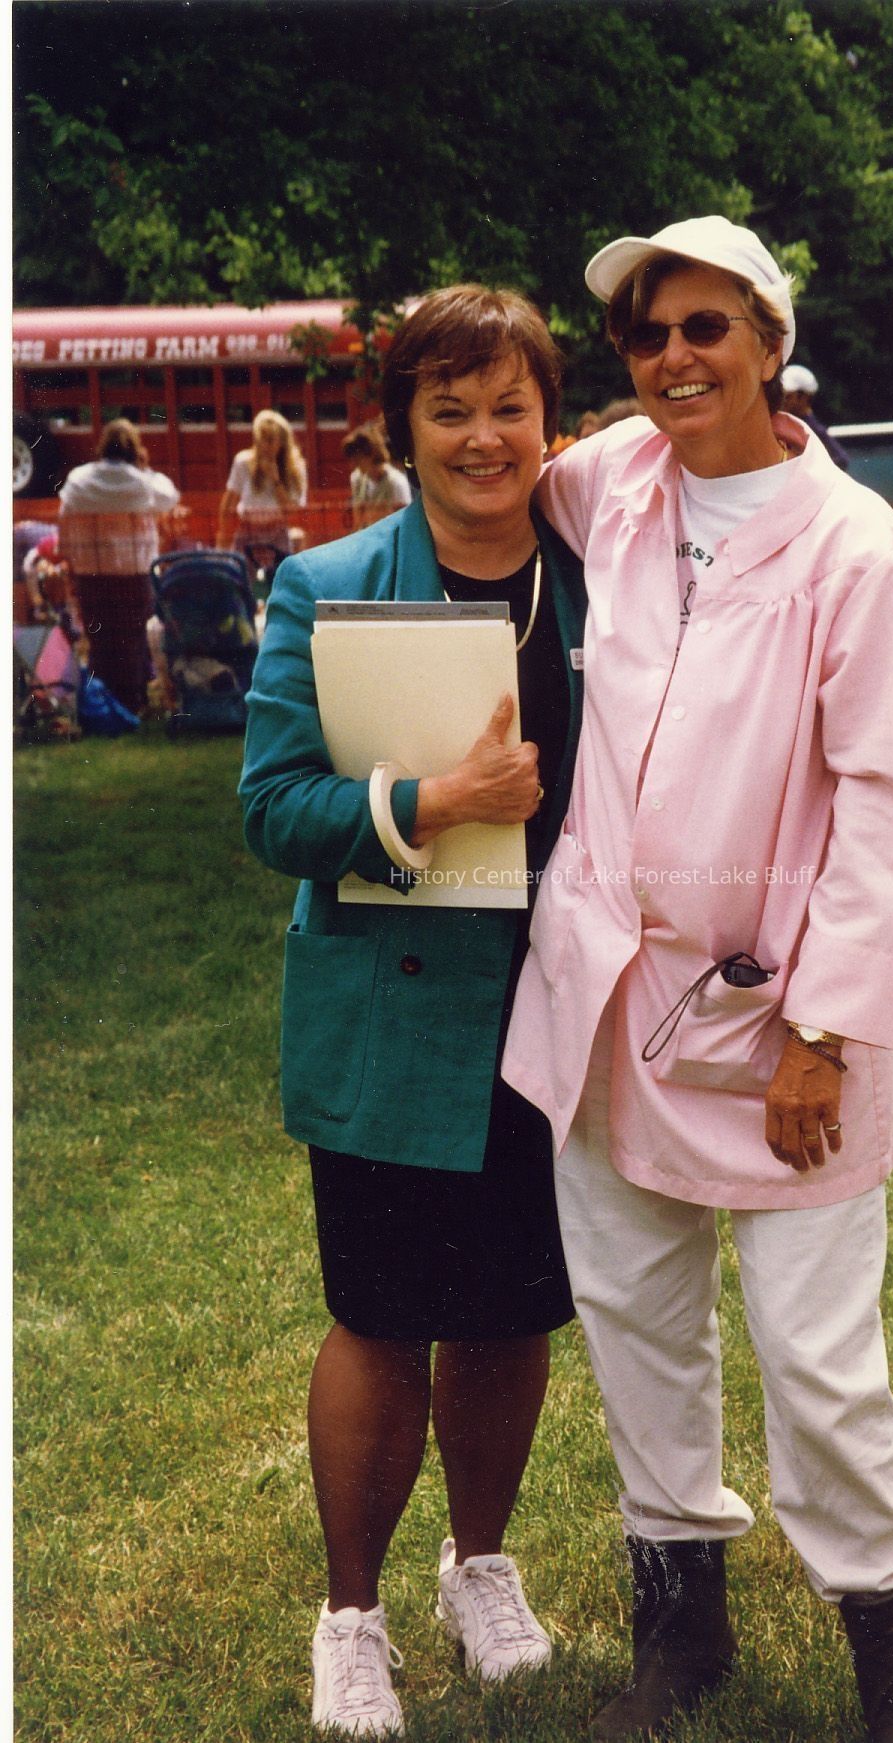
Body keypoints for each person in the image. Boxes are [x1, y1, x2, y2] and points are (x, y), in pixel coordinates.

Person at [501, 216, 893, 1743]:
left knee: (816, 1359)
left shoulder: (849, 544)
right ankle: (679, 1629)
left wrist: (826, 1030)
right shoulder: (611, 483)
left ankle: (889, 1661)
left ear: (769, 340)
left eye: (704, 327)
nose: (673, 357)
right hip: (611, 998)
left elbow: (885, 803)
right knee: (633, 1319)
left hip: (782, 1022)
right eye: (645, 334)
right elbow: (489, 475)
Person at [239, 284, 586, 1740]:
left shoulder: (601, 577)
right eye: (450, 409)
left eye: (510, 406)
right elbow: (273, 808)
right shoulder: (328, 584)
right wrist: (431, 801)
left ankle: (479, 1568)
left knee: (511, 1307)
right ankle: (352, 1619)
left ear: (551, 422)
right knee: (379, 1314)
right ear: (404, 429)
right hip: (391, 1009)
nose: (483, 436)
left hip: (554, 1006)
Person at [57, 418, 180, 713]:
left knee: (100, 640)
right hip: (133, 574)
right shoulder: (141, 481)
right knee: (133, 640)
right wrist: (144, 468)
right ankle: (133, 701)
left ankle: (101, 703)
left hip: (91, 573)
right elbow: (170, 496)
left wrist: (70, 560)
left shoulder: (78, 480)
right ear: (134, 449)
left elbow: (64, 523)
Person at [217, 408, 307, 565]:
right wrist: (223, 536)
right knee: (242, 575)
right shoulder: (243, 462)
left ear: (282, 442)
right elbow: (229, 501)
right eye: (261, 439)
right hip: (248, 532)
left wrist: (276, 480)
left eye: (270, 440)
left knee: (279, 575)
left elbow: (292, 511)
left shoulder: (295, 467)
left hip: (277, 533)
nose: (265, 446)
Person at [781, 361, 851, 470]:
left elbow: (840, 460)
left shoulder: (812, 430)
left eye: (788, 396)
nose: (783, 401)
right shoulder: (787, 424)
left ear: (803, 397)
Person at [342, 421, 412, 528]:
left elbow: (406, 522)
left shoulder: (396, 482)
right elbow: (357, 522)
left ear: (371, 454)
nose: (354, 463)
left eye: (358, 458)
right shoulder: (357, 478)